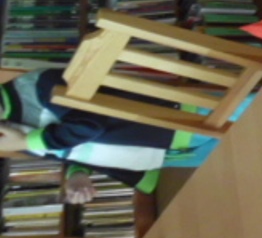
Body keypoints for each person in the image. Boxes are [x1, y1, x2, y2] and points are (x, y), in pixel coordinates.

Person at [0, 68, 244, 203]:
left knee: (261, 113)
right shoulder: (10, 134)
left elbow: (88, 125)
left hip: (176, 120)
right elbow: (73, 150)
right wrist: (78, 173)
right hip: (164, 154)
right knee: (250, 156)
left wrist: (26, 141)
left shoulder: (37, 86)